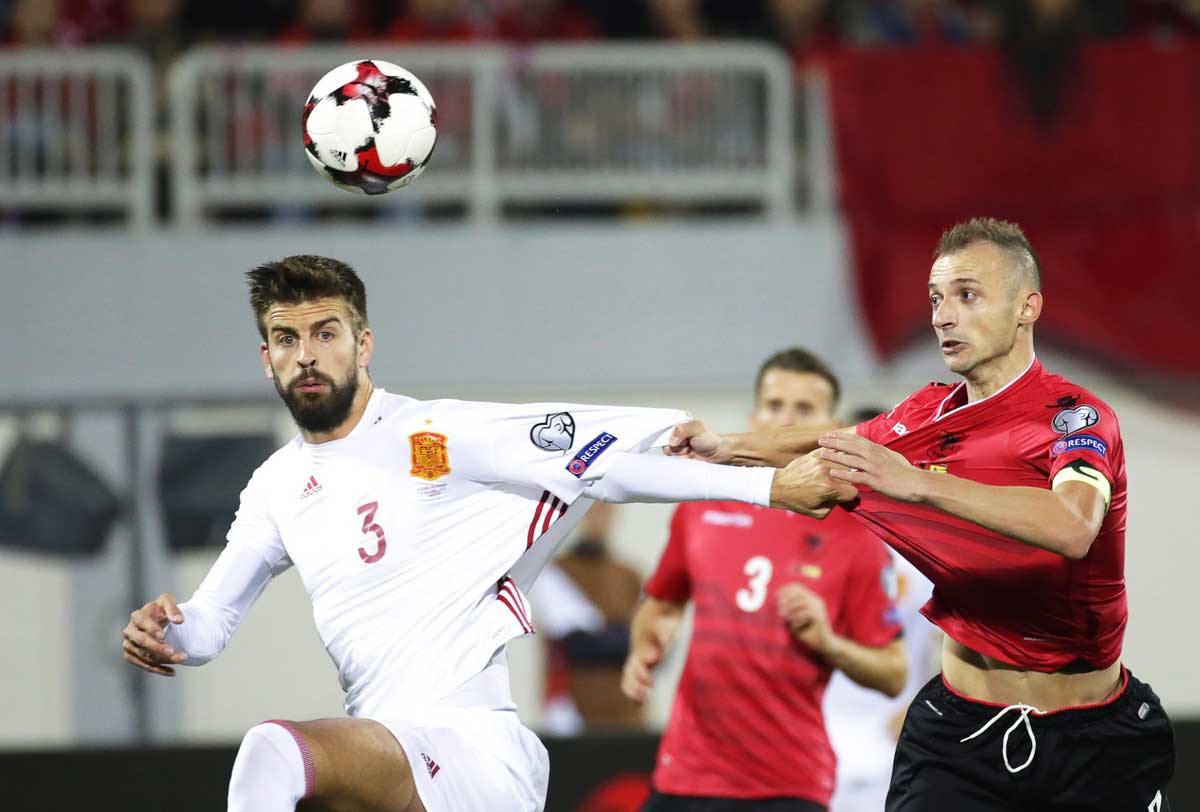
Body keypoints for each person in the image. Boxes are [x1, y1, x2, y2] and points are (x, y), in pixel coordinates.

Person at [120, 256, 804, 812]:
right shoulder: (275, 485)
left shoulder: (436, 436)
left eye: (326, 333)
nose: (307, 355)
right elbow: (209, 624)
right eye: (287, 339)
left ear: (363, 345)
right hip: (389, 749)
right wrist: (167, 632)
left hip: (469, 744)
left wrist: (772, 486)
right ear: (265, 358)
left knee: (273, 753)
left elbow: (612, 469)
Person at [668, 218, 1175, 811]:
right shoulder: (925, 414)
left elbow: (1072, 525)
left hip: (1092, 741)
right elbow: (839, 440)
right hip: (959, 734)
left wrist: (918, 484)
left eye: (967, 294)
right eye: (936, 299)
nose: (942, 316)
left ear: (1026, 306)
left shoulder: (1074, 417)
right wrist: (724, 446)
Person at [624, 348, 908, 812]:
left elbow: (894, 674)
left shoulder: (854, 532)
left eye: (804, 412)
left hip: (788, 784)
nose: (784, 423)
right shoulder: (702, 496)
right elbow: (663, 600)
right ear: (754, 413)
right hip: (686, 775)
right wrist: (644, 646)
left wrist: (828, 642)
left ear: (829, 426)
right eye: (775, 406)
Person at [822, 410, 939, 812]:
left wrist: (922, 712)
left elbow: (969, 644)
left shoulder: (930, 552)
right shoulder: (812, 541)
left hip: (895, 748)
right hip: (816, 742)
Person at [533, 502, 645, 733]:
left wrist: (609, 637)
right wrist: (624, 637)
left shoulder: (630, 575)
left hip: (627, 711)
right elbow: (578, 646)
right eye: (592, 510)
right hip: (572, 713)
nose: (599, 518)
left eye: (605, 510)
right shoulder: (557, 572)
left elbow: (652, 646)